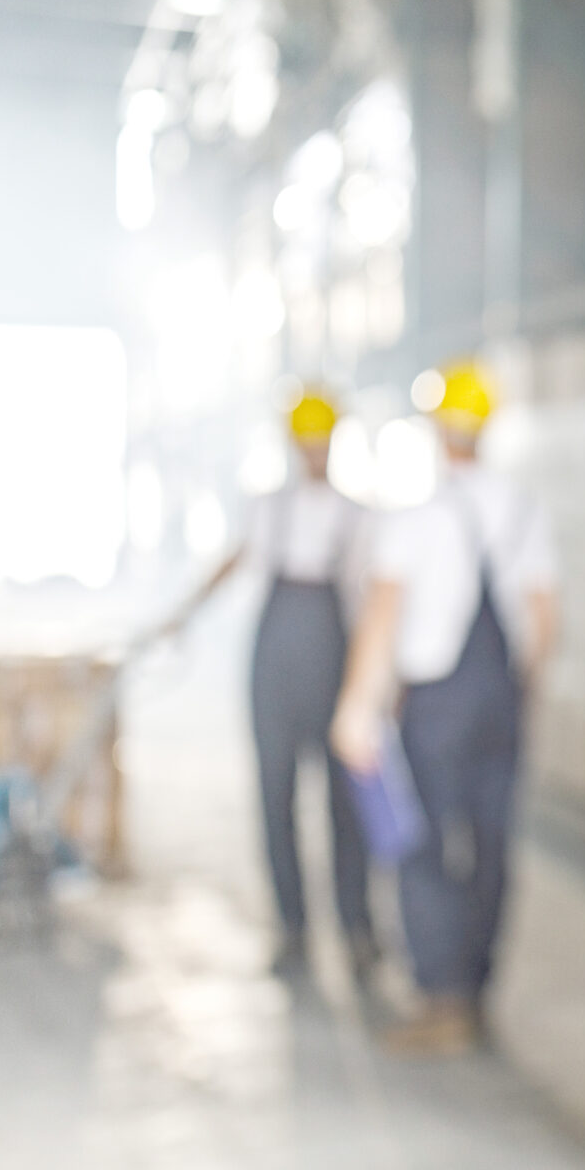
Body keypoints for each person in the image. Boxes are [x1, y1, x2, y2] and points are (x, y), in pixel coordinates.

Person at [332, 360, 557, 1056]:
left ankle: (443, 996)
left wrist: (356, 708)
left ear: (437, 432)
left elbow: (381, 616)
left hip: (436, 701)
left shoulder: (418, 516)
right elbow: (545, 619)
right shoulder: (522, 511)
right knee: (491, 845)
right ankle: (479, 986)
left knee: (423, 845)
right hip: (501, 696)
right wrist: (519, 693)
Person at [180, 389, 373, 978]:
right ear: (294, 445)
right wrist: (184, 612)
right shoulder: (269, 509)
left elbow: (368, 598)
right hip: (275, 666)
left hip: (332, 662)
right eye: (306, 442)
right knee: (276, 795)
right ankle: (293, 926)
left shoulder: (355, 515)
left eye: (323, 442)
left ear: (335, 442)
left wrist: (371, 685)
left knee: (345, 804)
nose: (314, 452)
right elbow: (237, 561)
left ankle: (356, 926)